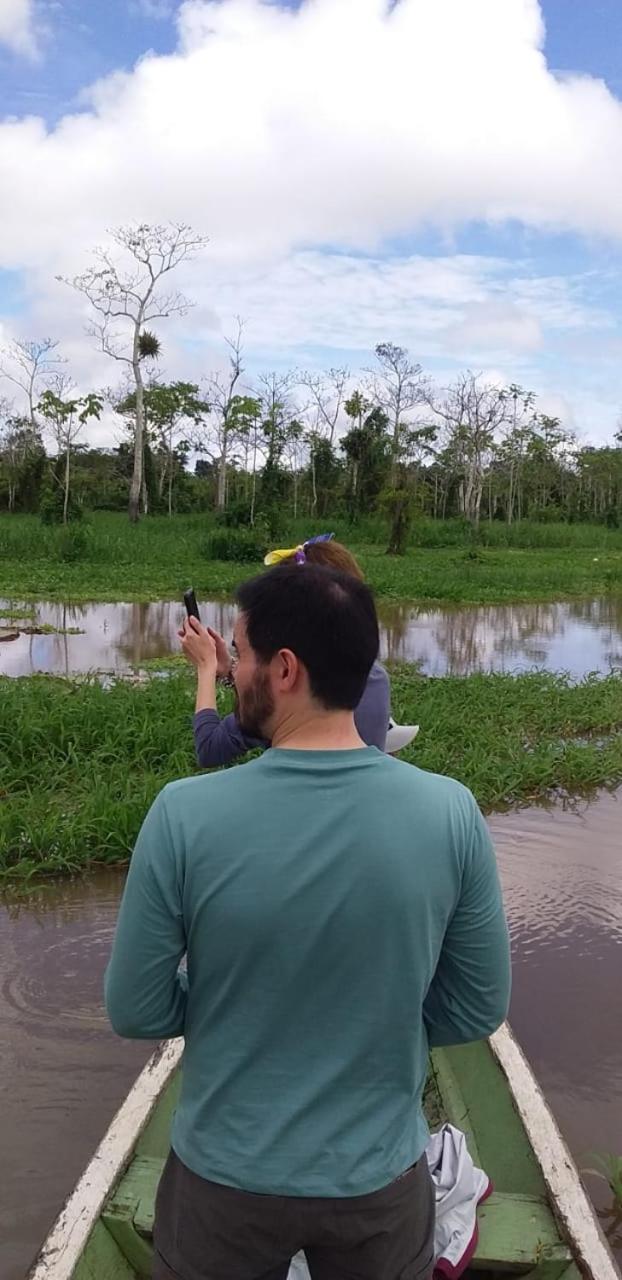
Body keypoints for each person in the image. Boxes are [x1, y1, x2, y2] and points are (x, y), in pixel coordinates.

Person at [105, 562, 511, 1280]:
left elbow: (137, 1010)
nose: (230, 671)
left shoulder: (183, 815)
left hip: (222, 1184)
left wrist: (232, 1006)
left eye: (240, 654)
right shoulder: (452, 812)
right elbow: (476, 1005)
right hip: (377, 1182)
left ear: (284, 669)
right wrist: (384, 1023)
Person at [180, 534, 391, 764]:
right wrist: (232, 669)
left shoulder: (289, 702)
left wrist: (206, 666)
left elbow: (210, 748)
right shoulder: (375, 677)